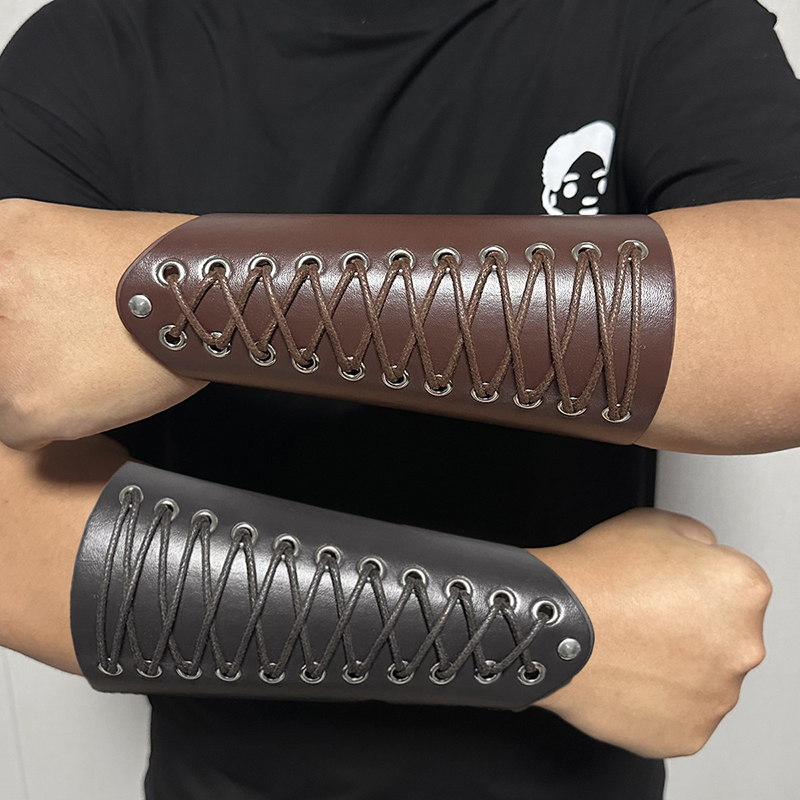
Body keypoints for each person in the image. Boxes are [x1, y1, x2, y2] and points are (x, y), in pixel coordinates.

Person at [0, 0, 797, 798]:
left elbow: (778, 326)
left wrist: (177, 295)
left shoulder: (654, 17)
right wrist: (558, 630)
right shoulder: (90, 47)